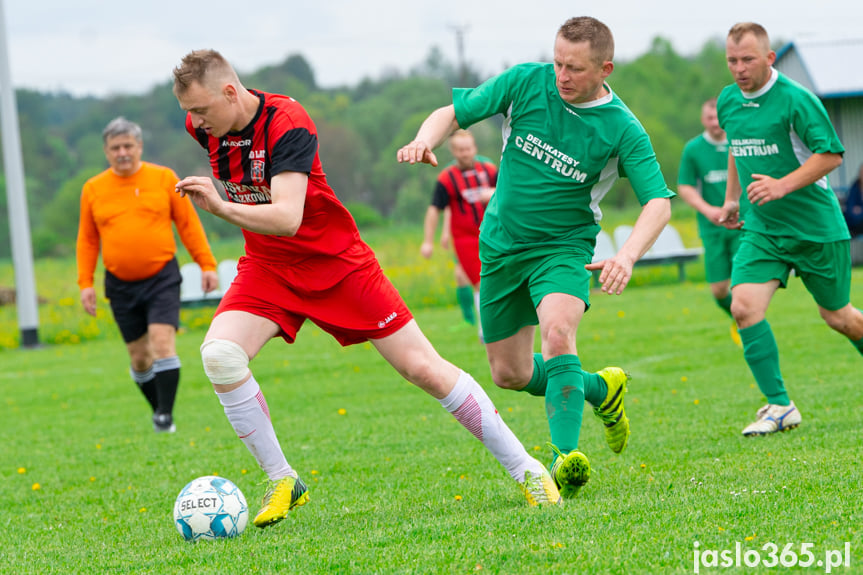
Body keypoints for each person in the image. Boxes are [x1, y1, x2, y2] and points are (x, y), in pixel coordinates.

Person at [171, 49, 562, 528]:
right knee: (219, 356)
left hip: (336, 263)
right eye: (189, 113)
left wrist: (220, 206)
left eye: (202, 110)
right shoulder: (205, 127)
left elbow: (289, 217)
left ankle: (529, 470)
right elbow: (268, 222)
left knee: (426, 370)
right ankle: (282, 480)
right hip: (269, 267)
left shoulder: (287, 121)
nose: (195, 122)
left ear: (231, 92)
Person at [398, 16, 673, 498]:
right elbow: (451, 113)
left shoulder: (622, 128)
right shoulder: (527, 82)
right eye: (558, 62)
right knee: (510, 373)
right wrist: (425, 139)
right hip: (501, 245)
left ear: (605, 69)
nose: (562, 76)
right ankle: (599, 389)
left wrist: (626, 255)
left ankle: (564, 458)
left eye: (576, 69)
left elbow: (659, 202)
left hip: (563, 248)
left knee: (559, 333)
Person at [717, 22, 863, 436]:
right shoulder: (729, 100)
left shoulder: (797, 101)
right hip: (763, 230)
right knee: (743, 306)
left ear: (769, 58)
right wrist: (733, 198)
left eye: (748, 59)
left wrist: (780, 185)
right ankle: (780, 406)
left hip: (815, 228)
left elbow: (831, 155)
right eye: (732, 60)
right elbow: (737, 147)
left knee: (838, 316)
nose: (739, 69)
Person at [77, 117, 219, 433]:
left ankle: (165, 417)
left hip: (161, 277)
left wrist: (206, 264)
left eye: (128, 145)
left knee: (162, 341)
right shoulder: (93, 189)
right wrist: (85, 282)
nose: (123, 152)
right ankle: (159, 410)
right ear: (106, 151)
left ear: (139, 146)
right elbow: (87, 239)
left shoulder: (163, 178)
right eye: (116, 148)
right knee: (140, 357)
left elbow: (188, 225)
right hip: (120, 282)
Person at [677, 98, 743, 346]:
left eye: (718, 117)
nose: (715, 123)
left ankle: (749, 320)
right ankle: (738, 317)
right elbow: (685, 186)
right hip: (713, 228)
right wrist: (707, 210)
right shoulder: (693, 149)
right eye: (709, 118)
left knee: (742, 285)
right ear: (703, 120)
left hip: (742, 225)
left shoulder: (740, 143)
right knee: (719, 290)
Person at [420, 129, 495, 340]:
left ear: (475, 148)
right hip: (465, 239)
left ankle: (492, 325)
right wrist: (428, 241)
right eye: (460, 150)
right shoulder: (446, 178)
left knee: (498, 279)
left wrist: (494, 193)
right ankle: (485, 330)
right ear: (454, 152)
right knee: (481, 281)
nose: (465, 153)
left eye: (468, 149)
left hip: (493, 232)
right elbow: (434, 209)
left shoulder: (489, 170)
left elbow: (510, 192)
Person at [842, 164, 863, 236]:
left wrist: (860, 210)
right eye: (861, 172)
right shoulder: (855, 186)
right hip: (853, 221)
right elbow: (849, 207)